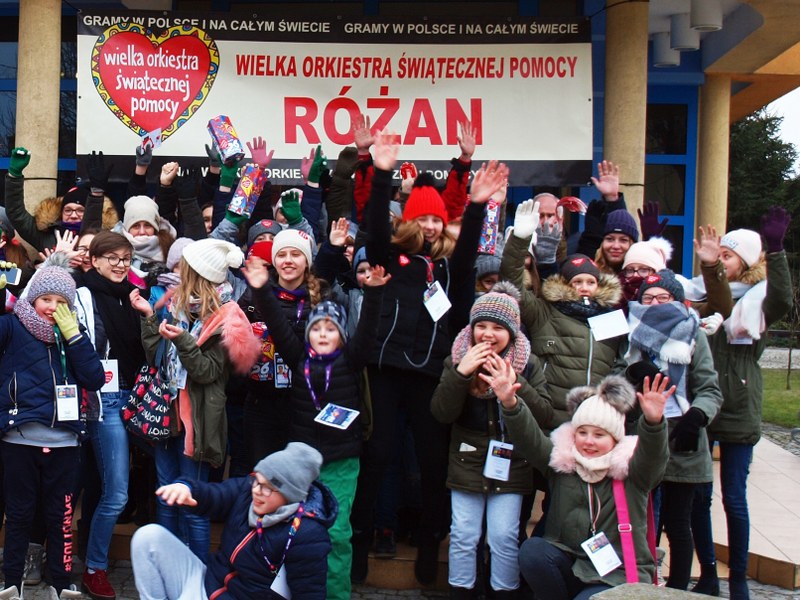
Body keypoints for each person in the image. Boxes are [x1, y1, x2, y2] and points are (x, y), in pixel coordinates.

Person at [350, 130, 508, 586]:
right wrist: (381, 173)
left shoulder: (448, 269)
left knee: (432, 460)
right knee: (377, 455)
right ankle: (359, 542)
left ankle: (427, 542)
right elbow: (373, 224)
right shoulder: (388, 256)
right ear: (409, 221)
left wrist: (475, 205)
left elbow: (468, 249)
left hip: (430, 376)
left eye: (437, 220)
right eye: (423, 219)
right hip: (385, 371)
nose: (432, 227)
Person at [242, 255, 389, 600]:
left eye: (331, 329)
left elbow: (368, 330)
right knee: (299, 531)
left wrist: (374, 294)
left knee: (336, 534)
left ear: (341, 334)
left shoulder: (351, 360)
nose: (323, 334)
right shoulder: (298, 358)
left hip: (341, 462)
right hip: (303, 464)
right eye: (317, 328)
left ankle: (336, 595)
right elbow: (278, 325)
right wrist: (261, 289)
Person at [130, 238, 261, 562]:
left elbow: (207, 372)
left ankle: (197, 579)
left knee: (192, 502)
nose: (178, 271)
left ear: (198, 273)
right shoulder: (177, 305)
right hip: (167, 415)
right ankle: (168, 570)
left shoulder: (228, 318)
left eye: (185, 267)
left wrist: (184, 341)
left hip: (198, 421)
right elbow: (156, 357)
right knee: (166, 496)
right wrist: (148, 318)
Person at [687, 208, 793, 599]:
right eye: (720, 254)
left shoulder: (759, 300)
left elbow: (783, 297)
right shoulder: (703, 294)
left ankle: (739, 580)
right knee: (699, 496)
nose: (722, 259)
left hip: (738, 406)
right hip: (702, 403)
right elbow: (706, 299)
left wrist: (776, 250)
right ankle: (708, 573)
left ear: (746, 262)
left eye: (729, 255)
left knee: (734, 497)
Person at [497, 369, 671, 600]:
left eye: (599, 435)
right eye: (582, 432)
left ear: (614, 438)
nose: (589, 441)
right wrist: (511, 403)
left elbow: (653, 458)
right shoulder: (562, 461)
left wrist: (653, 423)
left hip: (615, 573)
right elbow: (531, 440)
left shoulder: (632, 470)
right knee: (533, 551)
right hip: (570, 564)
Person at [430, 282, 553, 598]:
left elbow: (545, 414)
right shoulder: (457, 358)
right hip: (467, 460)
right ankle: (462, 592)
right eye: (481, 325)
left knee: (503, 537)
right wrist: (461, 374)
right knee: (463, 535)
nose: (487, 334)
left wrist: (515, 382)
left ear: (511, 331)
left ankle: (504, 592)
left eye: (497, 327)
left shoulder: (528, 363)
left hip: (511, 462)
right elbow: (442, 412)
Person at [0, 253, 105, 600]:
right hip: (20, 438)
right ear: (33, 298)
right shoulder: (12, 326)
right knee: (19, 513)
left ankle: (61, 583)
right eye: (46, 299)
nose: (52, 307)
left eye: (61, 302)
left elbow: (94, 377)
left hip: (65, 442)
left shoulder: (73, 335)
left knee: (61, 516)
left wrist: (74, 337)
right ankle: (11, 581)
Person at [131, 442, 338, 600]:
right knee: (148, 536)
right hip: (205, 582)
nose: (257, 491)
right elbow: (215, 495)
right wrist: (187, 488)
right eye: (257, 481)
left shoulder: (307, 534)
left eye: (268, 488)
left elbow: (310, 593)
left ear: (290, 494)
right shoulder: (249, 490)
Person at [625, 269, 723, 590]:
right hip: (643, 437)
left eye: (663, 298)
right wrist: (631, 375)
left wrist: (698, 416)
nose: (654, 304)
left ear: (678, 301)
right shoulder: (630, 333)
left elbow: (709, 388)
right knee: (642, 521)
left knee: (679, 522)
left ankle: (678, 588)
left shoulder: (693, 334)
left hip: (683, 437)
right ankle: (641, 584)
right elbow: (614, 379)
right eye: (648, 298)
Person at [73, 231, 146, 600]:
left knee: (133, 486)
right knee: (115, 493)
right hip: (105, 400)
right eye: (113, 258)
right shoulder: (81, 293)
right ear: (95, 260)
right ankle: (94, 569)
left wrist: (148, 315)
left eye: (126, 259)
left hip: (140, 398)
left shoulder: (133, 296)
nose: (120, 265)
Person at [237, 227, 323, 465]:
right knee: (261, 474)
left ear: (307, 261)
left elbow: (305, 357)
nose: (288, 261)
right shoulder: (252, 295)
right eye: (282, 255)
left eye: (296, 254)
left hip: (302, 405)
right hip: (260, 404)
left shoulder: (321, 297)